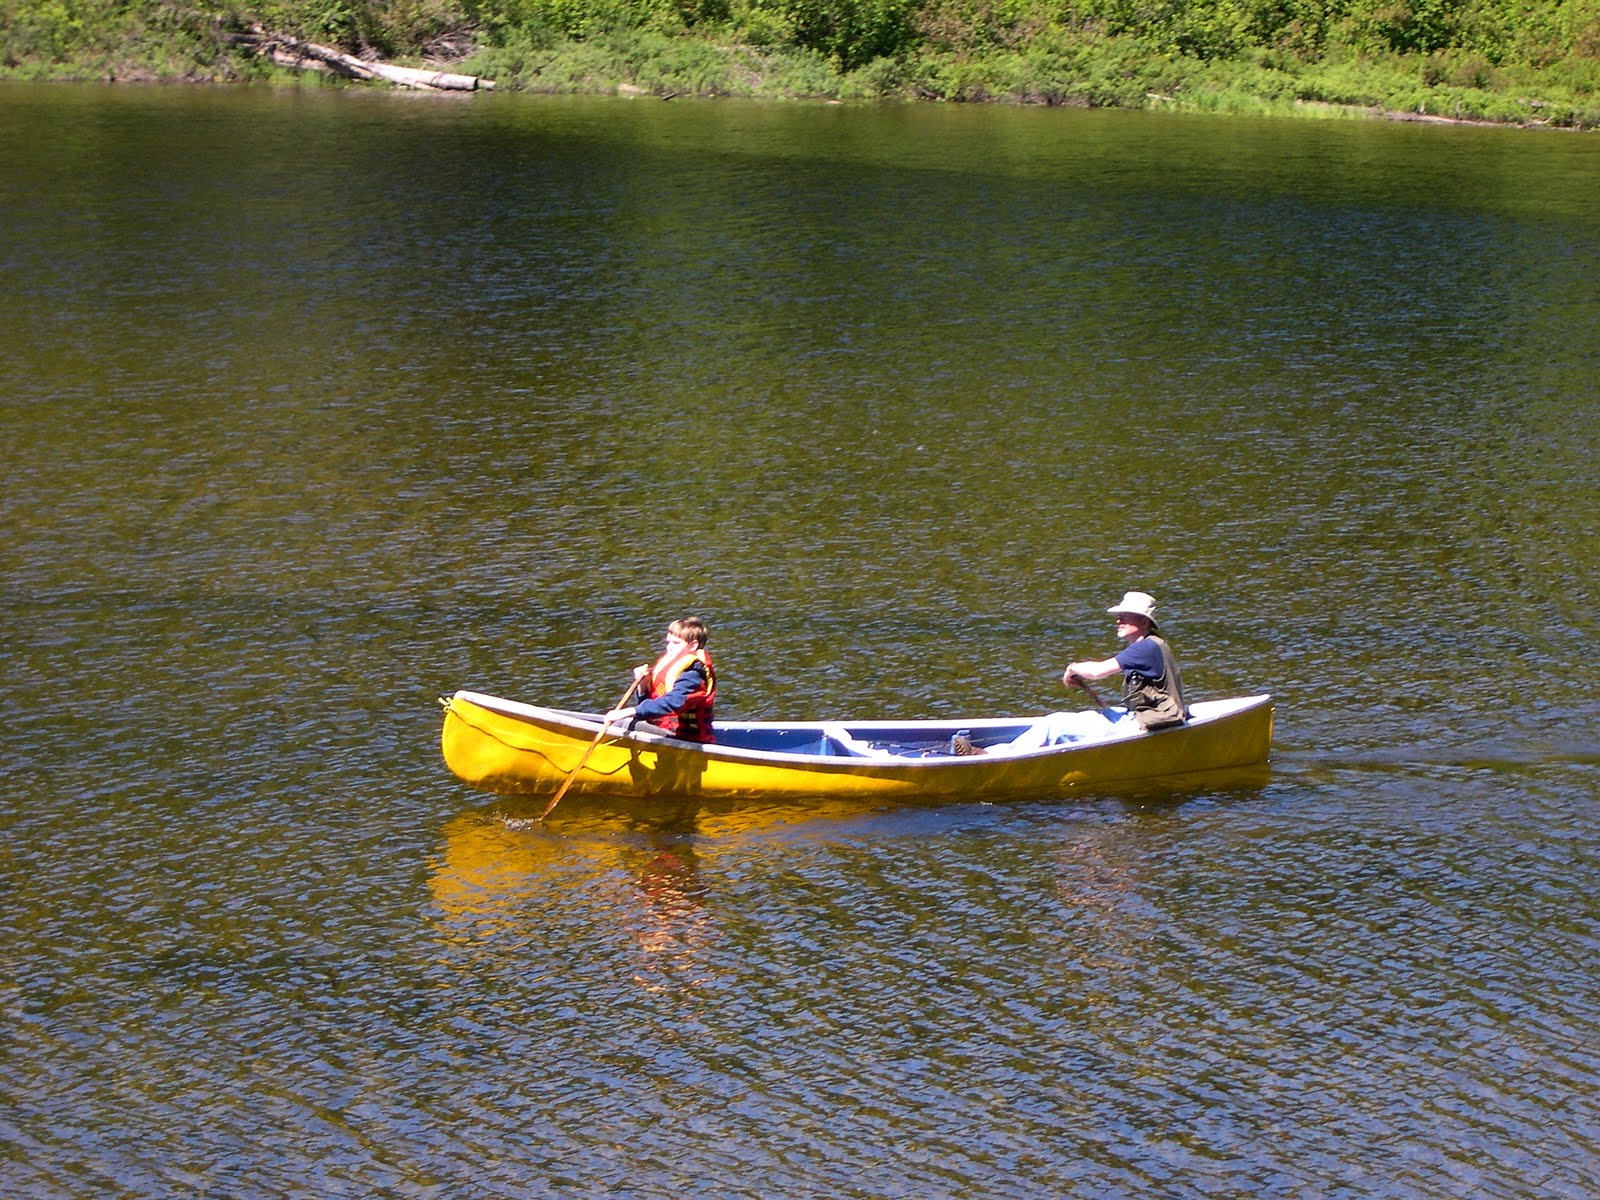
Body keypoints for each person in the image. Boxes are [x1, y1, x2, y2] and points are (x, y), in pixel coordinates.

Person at [1064, 591, 1188, 732]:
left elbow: (1097, 672)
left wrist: (1072, 668)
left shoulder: (1145, 648)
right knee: (1061, 720)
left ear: (1144, 621)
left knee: (1055, 729)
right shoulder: (1151, 644)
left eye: (1125, 617)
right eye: (1118, 616)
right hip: (1152, 716)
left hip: (1156, 718)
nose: (1118, 621)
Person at [606, 616, 717, 743]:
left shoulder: (694, 673)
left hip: (690, 740)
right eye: (668, 642)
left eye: (675, 643)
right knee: (626, 721)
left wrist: (629, 711)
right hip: (666, 731)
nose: (669, 647)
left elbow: (672, 703)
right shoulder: (671, 664)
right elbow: (649, 706)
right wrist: (643, 684)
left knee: (622, 724)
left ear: (693, 646)